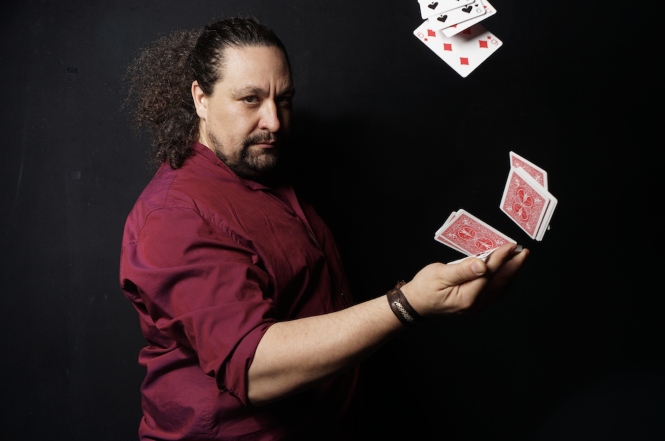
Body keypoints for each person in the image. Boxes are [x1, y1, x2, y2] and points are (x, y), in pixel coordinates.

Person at [119, 16, 529, 441]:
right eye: (250, 99)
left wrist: (430, 295)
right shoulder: (174, 215)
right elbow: (255, 367)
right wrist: (409, 304)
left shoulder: (264, 172)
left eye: (284, 100)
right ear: (200, 99)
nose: (274, 121)